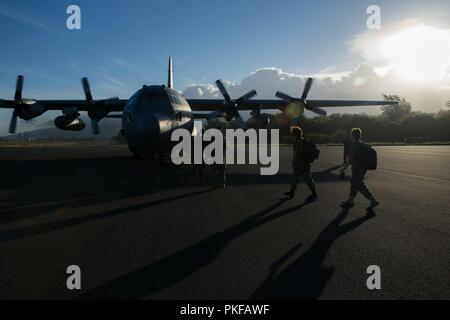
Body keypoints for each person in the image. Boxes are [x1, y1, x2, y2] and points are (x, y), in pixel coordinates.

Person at [340, 128, 380, 209]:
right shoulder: (361, 144)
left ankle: (372, 200)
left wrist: (344, 168)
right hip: (363, 167)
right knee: (354, 183)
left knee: (358, 184)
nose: (350, 136)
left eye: (351, 134)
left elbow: (351, 158)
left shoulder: (354, 145)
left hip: (357, 168)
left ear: (353, 135)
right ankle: (351, 200)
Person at [284, 126, 318, 200]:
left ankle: (292, 191)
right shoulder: (305, 140)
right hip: (306, 162)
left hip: (299, 163)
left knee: (296, 177)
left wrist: (294, 162)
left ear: (294, 134)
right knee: (307, 178)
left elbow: (296, 153)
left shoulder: (296, 141)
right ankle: (313, 192)